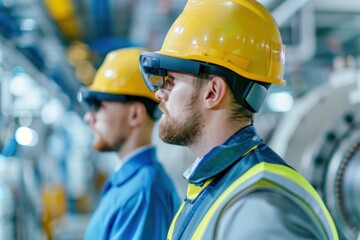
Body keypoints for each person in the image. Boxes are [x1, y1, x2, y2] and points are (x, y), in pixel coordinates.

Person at [139, 0, 339, 239]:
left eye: (170, 80)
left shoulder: (261, 208)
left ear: (213, 92)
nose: (159, 93)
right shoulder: (213, 188)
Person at [80, 47, 180, 240]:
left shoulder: (143, 194)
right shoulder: (132, 183)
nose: (88, 117)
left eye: (98, 106)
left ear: (135, 114)